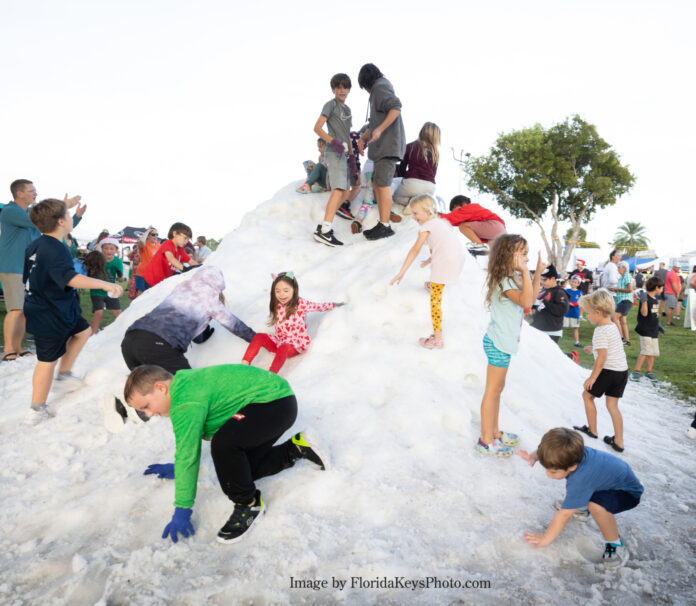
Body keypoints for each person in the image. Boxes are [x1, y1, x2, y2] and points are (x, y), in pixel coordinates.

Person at [124, 364, 326, 544]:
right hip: (277, 403)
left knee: (224, 445)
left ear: (161, 387)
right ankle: (296, 449)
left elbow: (188, 455)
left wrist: (182, 509)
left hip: (273, 403)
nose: (149, 414)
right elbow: (189, 449)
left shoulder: (185, 403)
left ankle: (249, 505)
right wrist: (179, 467)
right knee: (241, 472)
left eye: (146, 407)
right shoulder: (183, 383)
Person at [23, 199, 122, 424]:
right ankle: (36, 410)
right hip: (49, 311)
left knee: (83, 331)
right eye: (68, 216)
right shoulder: (55, 248)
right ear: (60, 221)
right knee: (47, 361)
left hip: (54, 306)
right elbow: (71, 278)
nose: (71, 219)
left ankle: (64, 375)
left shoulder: (36, 245)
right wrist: (104, 285)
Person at [519, 427, 643, 567]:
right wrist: (534, 456)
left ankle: (615, 544)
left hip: (627, 493)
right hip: (606, 483)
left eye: (553, 471)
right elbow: (546, 450)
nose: (548, 474)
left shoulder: (580, 478)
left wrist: (546, 538)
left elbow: (565, 514)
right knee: (581, 491)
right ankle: (580, 506)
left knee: (596, 507)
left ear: (572, 466)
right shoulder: (571, 453)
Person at [477, 234, 544, 457]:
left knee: (497, 390)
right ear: (509, 255)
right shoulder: (506, 280)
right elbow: (526, 303)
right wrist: (526, 272)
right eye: (522, 253)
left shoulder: (510, 277)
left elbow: (530, 299)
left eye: (527, 253)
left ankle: (494, 431)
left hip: (502, 343)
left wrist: (536, 273)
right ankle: (486, 440)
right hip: (497, 343)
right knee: (492, 392)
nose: (526, 257)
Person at [1, 179, 83, 361]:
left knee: (23, 309)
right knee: (15, 309)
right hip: (12, 267)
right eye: (32, 190)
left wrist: (75, 217)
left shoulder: (29, 213)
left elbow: (56, 227)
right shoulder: (10, 212)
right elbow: (43, 219)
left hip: (26, 268)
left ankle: (18, 347)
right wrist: (64, 205)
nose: (35, 193)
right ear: (19, 193)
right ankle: (8, 349)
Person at [390, 194, 465, 349]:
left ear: (428, 211)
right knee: (438, 281)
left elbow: (414, 250)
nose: (413, 216)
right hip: (457, 259)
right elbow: (442, 245)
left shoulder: (426, 227)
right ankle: (433, 284)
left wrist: (402, 272)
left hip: (444, 262)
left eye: (416, 213)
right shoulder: (440, 224)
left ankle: (437, 340)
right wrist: (429, 260)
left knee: (435, 302)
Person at [242, 272, 339, 374]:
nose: (281, 295)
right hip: (280, 341)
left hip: (294, 345)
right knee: (259, 336)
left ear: (294, 290)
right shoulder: (276, 304)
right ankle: (244, 365)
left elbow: (318, 306)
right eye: (278, 291)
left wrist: (333, 305)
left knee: (284, 346)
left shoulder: (300, 303)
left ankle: (271, 374)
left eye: (286, 291)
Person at [573, 289, 628, 452]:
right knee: (613, 406)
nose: (587, 316)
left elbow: (602, 358)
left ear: (597, 312)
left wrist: (592, 378)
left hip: (608, 371)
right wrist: (594, 348)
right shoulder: (612, 326)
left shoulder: (600, 331)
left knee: (587, 395)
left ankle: (592, 430)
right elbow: (610, 347)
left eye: (588, 313)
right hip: (621, 371)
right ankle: (618, 442)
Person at [357, 63, 406, 241]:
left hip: (387, 146)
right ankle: (382, 223)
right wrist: (364, 138)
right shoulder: (380, 88)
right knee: (377, 183)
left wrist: (379, 130)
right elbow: (375, 122)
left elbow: (396, 107)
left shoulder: (380, 87)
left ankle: (385, 226)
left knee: (383, 184)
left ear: (366, 83)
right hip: (382, 148)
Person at [311, 73, 357, 247]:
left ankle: (324, 224)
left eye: (345, 87)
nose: (342, 90)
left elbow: (346, 135)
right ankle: (325, 230)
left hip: (345, 154)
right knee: (338, 189)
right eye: (338, 87)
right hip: (334, 151)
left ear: (349, 89)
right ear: (333, 89)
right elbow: (317, 128)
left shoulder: (348, 110)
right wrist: (333, 142)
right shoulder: (330, 105)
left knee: (345, 192)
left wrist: (352, 158)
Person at [393, 122, 440, 209]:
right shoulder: (436, 153)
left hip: (412, 182)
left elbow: (402, 169)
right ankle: (420, 203)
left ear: (422, 132)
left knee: (396, 197)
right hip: (430, 187)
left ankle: (411, 201)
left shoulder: (410, 146)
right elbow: (434, 174)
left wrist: (403, 177)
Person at [141, 222, 199, 289]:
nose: (186, 241)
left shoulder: (181, 250)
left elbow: (191, 261)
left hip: (161, 281)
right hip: (151, 279)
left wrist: (200, 268)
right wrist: (183, 268)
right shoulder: (167, 243)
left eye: (188, 239)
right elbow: (170, 257)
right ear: (174, 234)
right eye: (185, 238)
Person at [439, 195, 506, 253]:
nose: (457, 213)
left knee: (463, 226)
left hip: (493, 226)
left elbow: (451, 218)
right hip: (500, 234)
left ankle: (480, 246)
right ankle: (482, 248)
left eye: (457, 210)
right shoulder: (473, 214)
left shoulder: (469, 208)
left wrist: (434, 215)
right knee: (489, 255)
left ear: (464, 204)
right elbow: (454, 221)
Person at [84, 241, 124, 334]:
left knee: (119, 314)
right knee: (99, 314)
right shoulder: (98, 259)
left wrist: (119, 275)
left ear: (116, 250)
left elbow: (121, 280)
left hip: (111, 291)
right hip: (97, 291)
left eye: (111, 248)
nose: (109, 251)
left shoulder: (118, 261)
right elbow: (89, 273)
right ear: (102, 249)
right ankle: (91, 335)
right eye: (106, 248)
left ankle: (123, 334)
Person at [631, 276, 664, 383]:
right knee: (646, 351)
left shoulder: (655, 300)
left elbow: (654, 315)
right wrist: (644, 301)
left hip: (653, 330)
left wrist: (658, 325)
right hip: (645, 330)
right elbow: (644, 313)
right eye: (661, 287)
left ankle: (648, 371)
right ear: (656, 288)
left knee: (653, 352)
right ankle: (636, 371)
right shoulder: (645, 298)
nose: (662, 290)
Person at [530, 265, 569, 343]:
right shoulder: (544, 291)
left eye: (544, 280)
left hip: (551, 331)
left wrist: (545, 303)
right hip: (539, 328)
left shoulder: (559, 292)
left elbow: (562, 310)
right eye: (541, 280)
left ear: (553, 279)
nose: (542, 282)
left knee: (547, 354)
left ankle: (571, 355)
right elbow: (536, 304)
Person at [350, 159, 377, 234]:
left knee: (366, 201)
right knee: (378, 195)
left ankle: (358, 221)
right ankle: (389, 213)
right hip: (376, 168)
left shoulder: (371, 154)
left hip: (365, 172)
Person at [610, 261, 634, 345]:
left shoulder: (626, 276)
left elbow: (630, 289)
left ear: (624, 268)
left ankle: (621, 338)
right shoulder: (622, 277)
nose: (617, 269)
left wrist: (617, 289)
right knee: (623, 321)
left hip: (625, 300)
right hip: (623, 300)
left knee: (614, 318)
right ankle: (627, 341)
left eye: (619, 267)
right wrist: (614, 289)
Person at [135, 226, 160, 295]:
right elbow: (141, 241)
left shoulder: (158, 246)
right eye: (153, 234)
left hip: (154, 275)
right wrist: (148, 230)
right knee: (141, 295)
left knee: (151, 295)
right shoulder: (144, 245)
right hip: (142, 274)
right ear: (148, 236)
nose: (155, 236)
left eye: (157, 234)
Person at [564, 274, 583, 346]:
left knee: (575, 327)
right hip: (566, 312)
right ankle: (556, 339)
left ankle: (577, 342)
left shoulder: (580, 292)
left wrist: (580, 315)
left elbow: (582, 304)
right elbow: (563, 300)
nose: (573, 283)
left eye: (575, 282)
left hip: (575, 313)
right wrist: (568, 303)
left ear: (578, 284)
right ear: (570, 282)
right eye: (572, 281)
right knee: (561, 326)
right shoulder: (567, 291)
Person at [664, 262, 682, 327]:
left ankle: (669, 322)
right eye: (678, 267)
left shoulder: (671, 273)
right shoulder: (673, 274)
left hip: (669, 292)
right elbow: (673, 284)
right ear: (674, 267)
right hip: (671, 292)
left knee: (671, 308)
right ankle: (668, 323)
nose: (679, 269)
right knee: (670, 308)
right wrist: (677, 292)